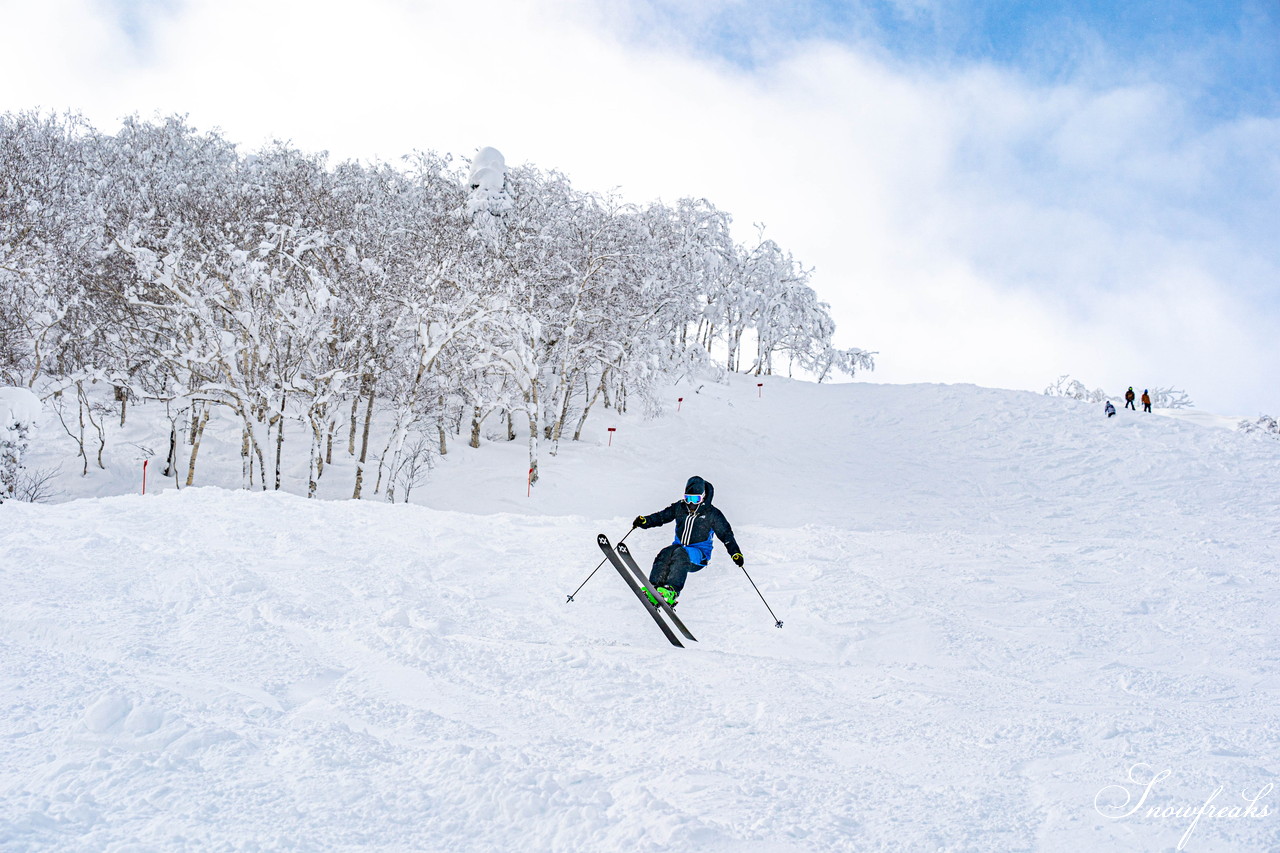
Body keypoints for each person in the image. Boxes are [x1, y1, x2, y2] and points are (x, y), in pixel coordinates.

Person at [632, 475, 742, 606]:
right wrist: (645, 521)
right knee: (666, 552)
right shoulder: (680, 507)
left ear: (703, 497)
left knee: (680, 553)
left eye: (695, 499)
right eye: (688, 498)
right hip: (679, 548)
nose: (691, 503)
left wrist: (735, 552)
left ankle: (671, 591)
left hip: (698, 556)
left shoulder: (712, 514)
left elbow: (726, 535)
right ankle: (654, 588)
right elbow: (661, 517)